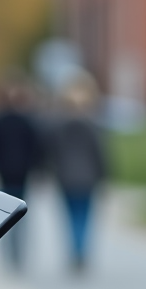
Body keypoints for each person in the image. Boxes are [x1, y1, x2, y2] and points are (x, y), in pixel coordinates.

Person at [0, 76, 45, 271]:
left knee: (5, 214)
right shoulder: (27, 121)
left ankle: (9, 251)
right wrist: (36, 168)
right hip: (22, 173)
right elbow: (37, 148)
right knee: (20, 212)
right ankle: (18, 251)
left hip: (4, 173)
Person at [49, 74, 108, 274]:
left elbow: (53, 153)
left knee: (70, 216)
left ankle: (75, 250)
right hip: (88, 177)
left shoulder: (58, 125)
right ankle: (81, 251)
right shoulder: (93, 125)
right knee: (85, 215)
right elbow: (100, 152)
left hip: (65, 177)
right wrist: (104, 174)